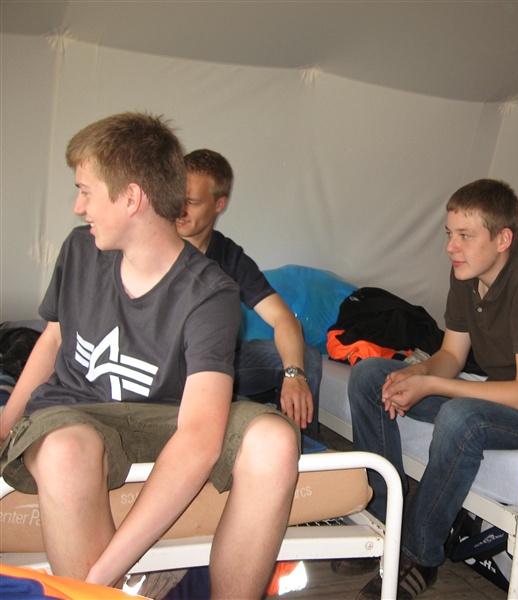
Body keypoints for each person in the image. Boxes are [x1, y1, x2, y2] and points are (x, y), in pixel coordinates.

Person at [0, 113, 300, 599]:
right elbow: (52, 340)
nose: (78, 207)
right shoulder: (79, 251)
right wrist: (5, 424)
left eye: (86, 191)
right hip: (75, 412)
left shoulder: (211, 291)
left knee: (276, 441)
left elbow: (198, 436)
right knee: (64, 451)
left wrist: (102, 574)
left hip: (165, 418)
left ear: (132, 198)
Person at [344, 179, 518, 599]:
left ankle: (419, 556)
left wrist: (431, 384)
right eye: (449, 234)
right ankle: (383, 519)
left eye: (465, 235)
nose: (451, 247)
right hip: (508, 395)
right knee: (370, 376)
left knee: (462, 418)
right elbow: (451, 355)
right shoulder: (467, 274)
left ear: (503, 239)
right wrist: (416, 374)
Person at [178, 149, 321, 431]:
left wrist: (294, 374)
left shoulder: (229, 256)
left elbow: (284, 319)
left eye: (192, 202)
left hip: (222, 360)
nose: (179, 210)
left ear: (219, 204)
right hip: (172, 365)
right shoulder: (155, 245)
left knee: (307, 358)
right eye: (176, 198)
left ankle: (298, 446)